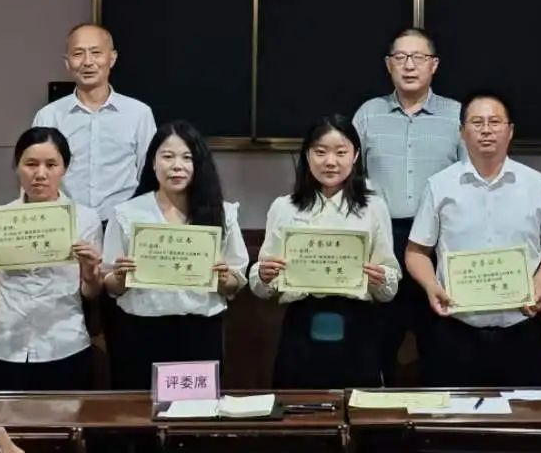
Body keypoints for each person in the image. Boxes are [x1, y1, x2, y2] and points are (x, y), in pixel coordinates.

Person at [404, 92, 541, 388]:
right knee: (454, 415)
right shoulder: (440, 185)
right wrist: (431, 286)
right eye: (477, 122)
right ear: (462, 132)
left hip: (521, 331)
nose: (486, 130)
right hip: (456, 333)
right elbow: (416, 251)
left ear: (510, 131)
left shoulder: (537, 184)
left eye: (495, 122)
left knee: (525, 415)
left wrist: (540, 283)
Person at [251, 115, 402, 388]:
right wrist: (263, 274)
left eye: (341, 152)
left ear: (355, 156)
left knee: (357, 404)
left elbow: (388, 288)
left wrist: (381, 278)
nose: (330, 161)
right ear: (307, 155)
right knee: (299, 405)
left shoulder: (374, 207)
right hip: (302, 322)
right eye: (320, 152)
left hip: (357, 324)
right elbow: (263, 288)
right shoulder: (284, 207)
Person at [100, 121, 249, 390]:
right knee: (138, 409)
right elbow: (110, 283)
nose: (177, 166)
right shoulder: (127, 213)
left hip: (200, 333)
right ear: (152, 163)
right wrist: (120, 277)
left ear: (199, 164)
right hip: (140, 333)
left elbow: (236, 280)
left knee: (196, 411)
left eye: (187, 157)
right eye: (167, 156)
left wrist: (225, 278)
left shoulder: (222, 213)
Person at [352, 27, 463, 381]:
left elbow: (469, 181)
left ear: (434, 65)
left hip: (439, 244)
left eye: (418, 57)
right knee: (379, 340)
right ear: (389, 65)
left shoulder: (457, 115)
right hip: (384, 240)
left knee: (440, 341)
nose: (409, 65)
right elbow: (349, 178)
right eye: (400, 57)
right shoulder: (368, 114)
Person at [0, 127, 105, 391]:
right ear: (17, 167)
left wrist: (90, 270)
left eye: (51, 165)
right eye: (31, 164)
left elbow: (91, 292)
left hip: (65, 345)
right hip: (7, 346)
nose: (40, 174)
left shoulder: (85, 219)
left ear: (65, 168)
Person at [31, 23, 157, 222]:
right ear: (67, 62)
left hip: (122, 222)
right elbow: (34, 177)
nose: (88, 62)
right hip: (67, 223)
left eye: (96, 52)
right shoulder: (49, 116)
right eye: (78, 54)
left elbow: (150, 174)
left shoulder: (139, 114)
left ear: (112, 58)